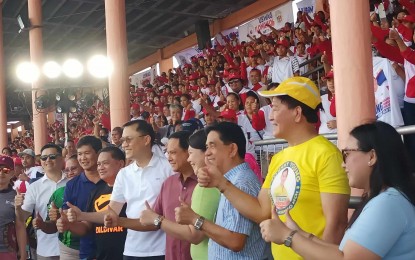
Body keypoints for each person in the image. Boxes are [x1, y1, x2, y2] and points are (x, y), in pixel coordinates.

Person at [197, 77, 350, 259]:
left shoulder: (326, 154)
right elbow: (262, 212)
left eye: (275, 108)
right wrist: (221, 183)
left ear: (297, 113)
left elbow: (337, 224)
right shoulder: (279, 158)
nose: (270, 116)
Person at [260, 121, 415, 259]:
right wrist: (299, 233)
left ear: (372, 157)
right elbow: (342, 252)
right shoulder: (384, 200)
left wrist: (287, 236)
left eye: (346, 154)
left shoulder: (387, 204)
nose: (343, 164)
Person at [175, 122, 266, 259]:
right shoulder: (231, 180)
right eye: (206, 147)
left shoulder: (241, 183)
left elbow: (235, 241)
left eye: (212, 146)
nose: (207, 153)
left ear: (232, 150)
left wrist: (195, 219)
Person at [105, 119, 172, 259]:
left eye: (128, 139)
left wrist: (119, 221)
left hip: (162, 250)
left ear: (146, 139)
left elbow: (169, 216)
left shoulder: (168, 169)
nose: (124, 144)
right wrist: (81, 215)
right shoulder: (124, 174)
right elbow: (112, 212)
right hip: (131, 251)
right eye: (123, 140)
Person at [139, 131, 197, 260]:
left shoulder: (206, 184)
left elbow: (197, 234)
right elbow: (153, 220)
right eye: (167, 152)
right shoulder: (168, 183)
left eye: (173, 152)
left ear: (189, 152)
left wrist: (156, 219)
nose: (168, 157)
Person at [62, 146, 128, 260]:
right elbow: (86, 227)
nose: (100, 168)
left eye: (105, 163)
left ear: (121, 164)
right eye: (98, 164)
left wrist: (82, 215)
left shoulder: (130, 188)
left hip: (127, 254)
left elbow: (111, 215)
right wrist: (69, 225)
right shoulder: (96, 191)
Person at [15, 144, 68, 260]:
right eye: (44, 158)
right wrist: (18, 207)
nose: (47, 160)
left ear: (61, 159)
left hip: (72, 248)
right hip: (46, 250)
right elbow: (23, 216)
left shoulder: (72, 183)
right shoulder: (34, 187)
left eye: (52, 156)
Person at [57, 135, 104, 260]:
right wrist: (68, 223)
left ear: (99, 153)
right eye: (79, 154)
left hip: (114, 249)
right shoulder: (72, 185)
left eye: (87, 153)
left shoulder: (112, 180)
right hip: (86, 251)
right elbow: (75, 222)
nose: (82, 158)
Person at [0, 156, 27, 260]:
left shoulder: (16, 196)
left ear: (12, 173)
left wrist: (23, 253)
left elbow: (20, 226)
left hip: (7, 251)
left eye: (5, 170)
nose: (1, 173)